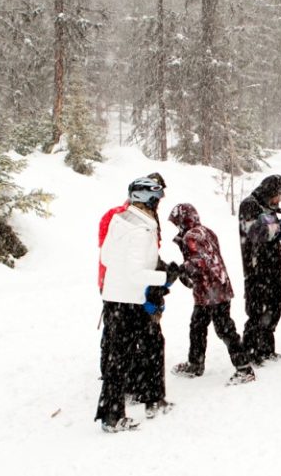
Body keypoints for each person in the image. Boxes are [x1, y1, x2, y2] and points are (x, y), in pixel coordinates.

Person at [95, 177, 178, 433]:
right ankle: (116, 414)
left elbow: (107, 257)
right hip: (130, 301)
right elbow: (135, 274)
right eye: (157, 198)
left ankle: (147, 400)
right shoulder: (141, 230)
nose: (159, 203)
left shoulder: (120, 220)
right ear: (148, 199)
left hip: (115, 299)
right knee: (131, 354)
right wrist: (166, 277)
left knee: (123, 354)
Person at [168, 203, 256, 385]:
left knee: (224, 329)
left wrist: (181, 270)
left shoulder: (191, 236)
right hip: (214, 288)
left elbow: (200, 261)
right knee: (198, 326)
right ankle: (195, 363)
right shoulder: (205, 231)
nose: (177, 226)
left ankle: (244, 368)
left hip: (211, 292)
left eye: (178, 222)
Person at [239, 175, 281, 365]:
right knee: (257, 310)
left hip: (273, 266)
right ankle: (252, 350)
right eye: (278, 195)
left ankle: (267, 349)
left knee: (274, 307)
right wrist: (277, 229)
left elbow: (269, 230)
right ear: (270, 191)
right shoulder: (250, 205)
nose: (279, 200)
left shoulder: (269, 208)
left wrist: (276, 229)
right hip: (257, 268)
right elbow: (255, 233)